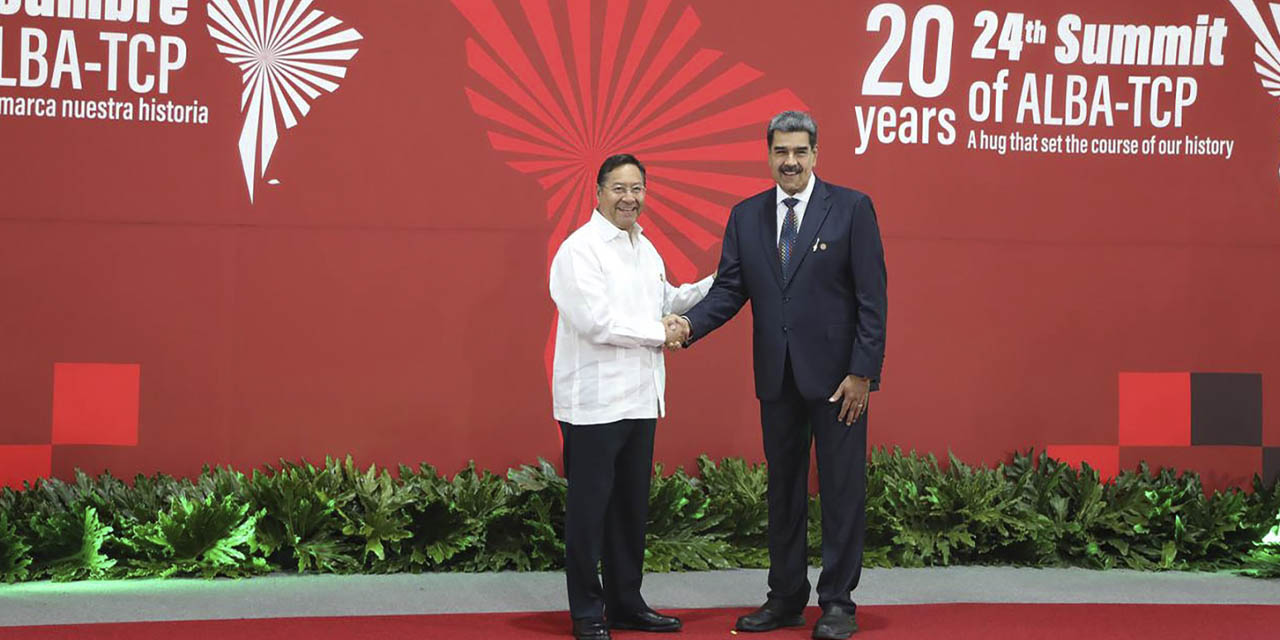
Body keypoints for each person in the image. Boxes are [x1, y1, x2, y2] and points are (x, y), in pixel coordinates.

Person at [665, 111, 887, 639]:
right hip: (777, 378)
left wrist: (862, 373)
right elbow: (730, 290)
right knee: (783, 491)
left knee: (840, 490)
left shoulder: (852, 209)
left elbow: (872, 300)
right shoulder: (746, 216)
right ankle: (786, 597)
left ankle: (838, 603)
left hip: (839, 383)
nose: (790, 162)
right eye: (781, 152)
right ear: (768, 155)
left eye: (800, 152)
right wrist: (687, 326)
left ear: (816, 155)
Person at [549, 153, 714, 640]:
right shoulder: (578, 251)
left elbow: (667, 301)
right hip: (594, 404)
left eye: (637, 188)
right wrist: (661, 333)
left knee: (629, 509)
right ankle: (585, 611)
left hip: (643, 400)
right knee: (589, 511)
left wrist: (722, 281)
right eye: (619, 188)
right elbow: (596, 322)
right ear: (597, 192)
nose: (629, 198)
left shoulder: (645, 248)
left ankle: (626, 603)